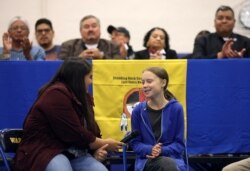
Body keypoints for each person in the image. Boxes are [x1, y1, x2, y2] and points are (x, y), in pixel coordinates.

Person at [13, 58, 123, 171]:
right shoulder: (55, 94)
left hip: (75, 153)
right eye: (89, 77)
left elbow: (91, 130)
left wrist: (96, 150)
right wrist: (104, 143)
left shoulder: (83, 98)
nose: (91, 82)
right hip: (45, 151)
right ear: (78, 78)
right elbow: (75, 133)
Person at [129, 67, 186, 171]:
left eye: (149, 81)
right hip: (146, 161)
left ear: (163, 83)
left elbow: (179, 144)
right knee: (167, 165)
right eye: (143, 82)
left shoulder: (176, 108)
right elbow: (135, 143)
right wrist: (150, 149)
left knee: (168, 164)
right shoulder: (138, 110)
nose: (145, 85)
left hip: (172, 159)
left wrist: (161, 150)